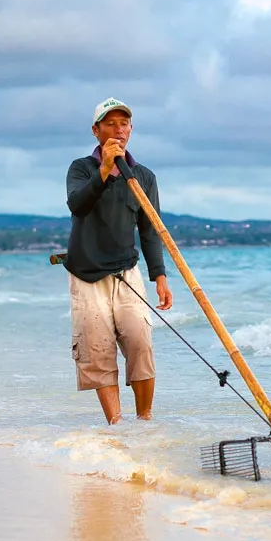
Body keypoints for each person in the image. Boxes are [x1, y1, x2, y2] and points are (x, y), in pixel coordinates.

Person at [63, 98, 173, 424]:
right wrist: (105, 170)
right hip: (86, 273)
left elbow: (150, 229)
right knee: (98, 350)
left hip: (127, 270)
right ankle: (116, 425)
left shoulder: (144, 176)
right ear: (96, 131)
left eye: (123, 123)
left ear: (131, 129)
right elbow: (78, 205)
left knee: (140, 339)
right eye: (110, 124)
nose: (118, 130)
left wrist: (160, 277)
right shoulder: (81, 168)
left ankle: (145, 422)